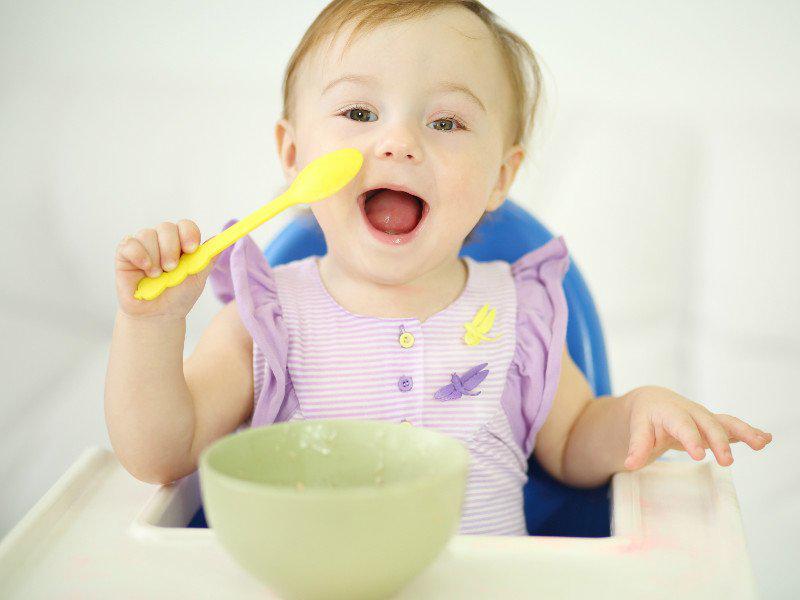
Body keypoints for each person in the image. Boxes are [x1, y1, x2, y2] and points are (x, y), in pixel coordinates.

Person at [105, 0, 771, 535]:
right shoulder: (268, 317)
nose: (397, 141)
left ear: (499, 178)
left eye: (447, 122)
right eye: (359, 112)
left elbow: (573, 445)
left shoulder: (518, 312)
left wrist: (636, 415)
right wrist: (152, 326)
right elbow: (161, 454)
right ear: (293, 153)